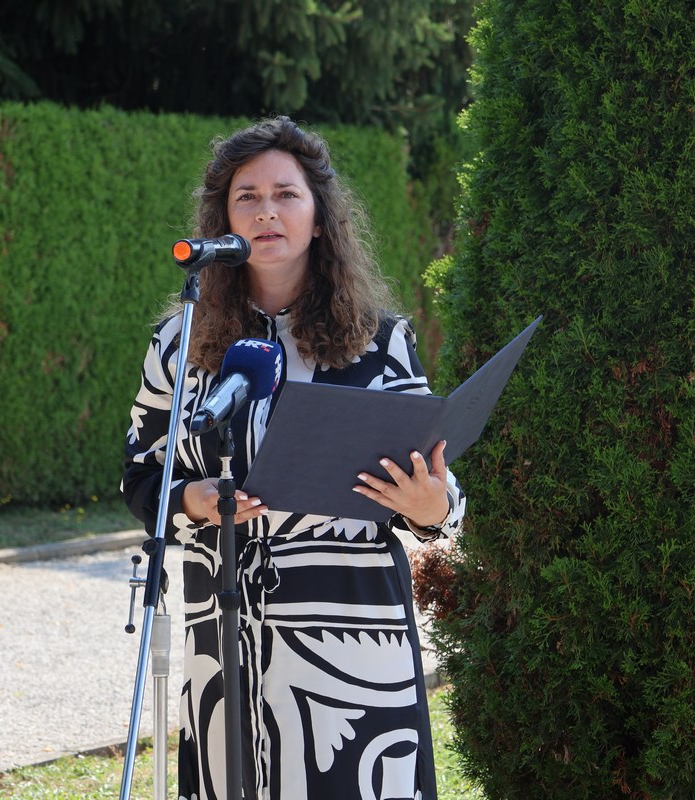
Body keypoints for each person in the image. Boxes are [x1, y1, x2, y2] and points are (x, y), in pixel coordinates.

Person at [122, 116, 465, 800]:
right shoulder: (177, 342)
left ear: (319, 218)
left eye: (286, 194)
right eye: (246, 197)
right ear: (223, 219)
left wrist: (433, 507)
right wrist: (192, 500)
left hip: (352, 654)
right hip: (223, 644)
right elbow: (141, 471)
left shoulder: (380, 343)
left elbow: (436, 484)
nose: (266, 212)